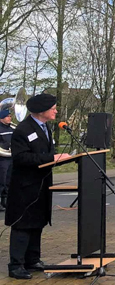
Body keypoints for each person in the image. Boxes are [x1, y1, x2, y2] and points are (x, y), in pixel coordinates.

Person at [5, 94, 69, 280]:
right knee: (23, 225)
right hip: (24, 186)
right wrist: (51, 158)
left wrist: (60, 159)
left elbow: (46, 154)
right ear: (42, 111)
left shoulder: (45, 127)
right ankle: (16, 265)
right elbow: (21, 158)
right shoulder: (23, 130)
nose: (56, 111)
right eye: (53, 108)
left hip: (41, 184)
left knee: (37, 222)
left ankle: (32, 259)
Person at [0, 109, 13, 212]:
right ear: (1, 118)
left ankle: (6, 201)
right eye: (7, 116)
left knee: (9, 180)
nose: (10, 118)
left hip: (11, 157)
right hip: (2, 159)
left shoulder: (13, 128)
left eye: (10, 116)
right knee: (2, 181)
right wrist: (6, 145)